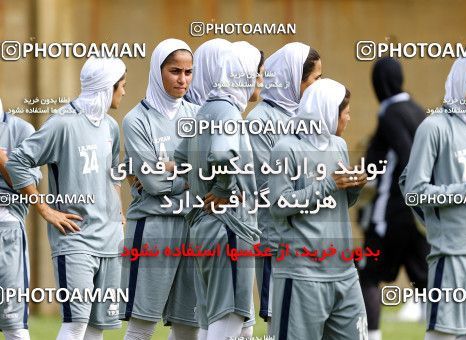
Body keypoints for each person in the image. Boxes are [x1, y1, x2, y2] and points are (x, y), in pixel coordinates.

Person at [6, 56, 127, 340]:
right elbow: (17, 161)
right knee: (76, 325)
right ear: (107, 87)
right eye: (121, 85)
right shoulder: (62, 123)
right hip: (76, 240)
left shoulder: (110, 126)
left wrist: (118, 212)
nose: (124, 91)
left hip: (110, 240)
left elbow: (113, 174)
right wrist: (45, 210)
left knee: (96, 327)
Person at [400, 52, 466, 340]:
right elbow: (413, 191)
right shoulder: (435, 128)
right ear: (462, 83)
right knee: (444, 335)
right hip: (454, 254)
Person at [174, 41, 264, 340]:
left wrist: (198, 193)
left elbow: (180, 158)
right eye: (257, 74)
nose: (260, 81)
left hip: (204, 227)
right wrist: (224, 189)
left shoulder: (205, 110)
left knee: (214, 320)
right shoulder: (228, 114)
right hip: (229, 228)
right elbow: (224, 154)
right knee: (228, 320)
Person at [268, 78, 369, 339]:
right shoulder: (286, 148)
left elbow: (339, 203)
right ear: (325, 111)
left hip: (344, 272)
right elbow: (279, 204)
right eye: (345, 112)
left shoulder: (339, 146)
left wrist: (354, 185)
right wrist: (329, 183)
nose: (348, 118)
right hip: (302, 274)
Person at [118, 38, 200, 340]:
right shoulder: (136, 120)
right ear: (158, 71)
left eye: (188, 72)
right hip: (153, 228)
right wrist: (190, 175)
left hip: (193, 226)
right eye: (175, 71)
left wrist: (171, 168)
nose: (182, 79)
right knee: (142, 325)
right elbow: (152, 183)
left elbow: (212, 173)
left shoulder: (198, 115)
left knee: (188, 326)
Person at [245, 42, 322, 333]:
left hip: (310, 240)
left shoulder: (308, 118)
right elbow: (268, 186)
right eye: (314, 79)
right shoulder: (259, 121)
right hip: (276, 242)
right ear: (293, 78)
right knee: (281, 324)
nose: (318, 87)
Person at [358, 57, 429, 340]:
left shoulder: (389, 114)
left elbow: (407, 157)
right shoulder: (418, 110)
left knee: (368, 277)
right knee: (426, 282)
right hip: (420, 215)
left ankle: (371, 336)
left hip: (392, 213)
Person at [0, 98, 41, 340]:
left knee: (13, 323)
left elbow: (30, 185)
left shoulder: (21, 130)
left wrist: (4, 161)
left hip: (7, 229)